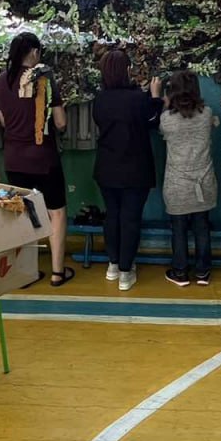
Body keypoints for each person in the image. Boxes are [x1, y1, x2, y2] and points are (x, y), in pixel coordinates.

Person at [0, 32, 74, 286]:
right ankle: (57, 273)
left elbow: (3, 120)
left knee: (24, 214)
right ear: (36, 52)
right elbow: (60, 123)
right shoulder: (44, 80)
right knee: (56, 213)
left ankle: (27, 273)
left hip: (14, 159)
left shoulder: (0, 82)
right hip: (43, 158)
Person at [92, 50, 163, 291]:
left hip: (107, 166)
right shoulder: (137, 98)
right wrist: (156, 97)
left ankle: (113, 264)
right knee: (130, 218)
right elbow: (153, 121)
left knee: (112, 215)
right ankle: (125, 271)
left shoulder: (100, 99)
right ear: (127, 70)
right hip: (135, 168)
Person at [160, 70, 217, 286]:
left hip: (177, 183)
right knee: (202, 226)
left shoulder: (167, 119)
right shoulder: (207, 114)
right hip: (204, 181)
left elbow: (163, 131)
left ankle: (180, 271)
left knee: (178, 228)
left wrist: (163, 103)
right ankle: (203, 271)